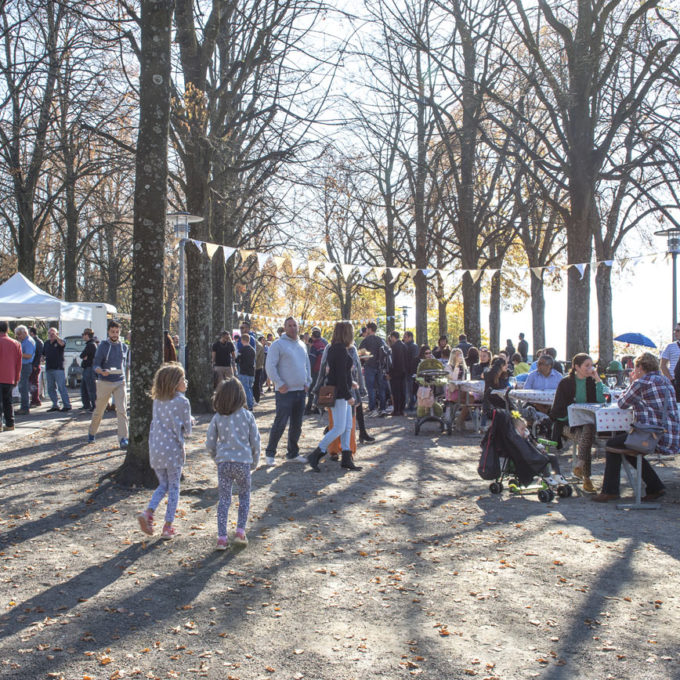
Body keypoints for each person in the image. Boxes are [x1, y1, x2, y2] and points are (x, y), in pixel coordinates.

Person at [593, 353, 680, 503]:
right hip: (671, 436)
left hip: (653, 437)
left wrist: (633, 382)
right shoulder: (666, 381)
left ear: (640, 367)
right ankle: (655, 486)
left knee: (612, 444)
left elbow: (622, 404)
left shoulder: (642, 382)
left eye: (636, 367)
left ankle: (610, 491)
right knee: (629, 447)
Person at [137, 363, 192, 540]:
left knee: (163, 485)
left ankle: (149, 512)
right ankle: (168, 526)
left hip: (156, 449)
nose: (186, 382)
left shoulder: (157, 401)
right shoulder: (183, 402)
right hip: (173, 451)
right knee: (174, 487)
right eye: (183, 379)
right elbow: (188, 429)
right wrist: (189, 421)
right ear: (175, 383)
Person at [206, 377, 260, 549]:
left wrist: (216, 457)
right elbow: (255, 442)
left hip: (224, 463)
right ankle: (240, 531)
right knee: (244, 496)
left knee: (224, 500)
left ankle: (221, 537)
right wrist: (255, 461)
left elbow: (210, 442)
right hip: (243, 462)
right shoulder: (247, 416)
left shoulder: (218, 418)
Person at [308, 322, 362, 472]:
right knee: (339, 427)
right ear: (346, 333)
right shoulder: (340, 350)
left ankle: (346, 458)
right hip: (339, 394)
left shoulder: (335, 348)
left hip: (341, 391)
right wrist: (347, 395)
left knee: (347, 426)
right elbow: (339, 376)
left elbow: (341, 374)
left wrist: (352, 383)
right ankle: (316, 454)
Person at [549, 353, 606, 493]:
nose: (590, 368)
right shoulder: (565, 383)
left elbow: (600, 401)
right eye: (587, 365)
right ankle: (586, 478)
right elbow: (557, 410)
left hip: (586, 424)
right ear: (576, 367)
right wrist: (572, 414)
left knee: (588, 430)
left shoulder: (591, 382)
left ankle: (580, 467)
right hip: (567, 424)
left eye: (591, 365)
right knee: (587, 435)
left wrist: (598, 380)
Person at [264, 316, 311, 465]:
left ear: (298, 327)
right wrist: (278, 383)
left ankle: (293, 453)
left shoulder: (302, 345)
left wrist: (308, 382)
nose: (292, 328)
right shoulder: (278, 345)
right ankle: (270, 454)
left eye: (294, 325)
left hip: (300, 391)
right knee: (280, 423)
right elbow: (270, 366)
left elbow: (307, 366)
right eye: (289, 325)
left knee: (297, 425)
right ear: (285, 328)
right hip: (284, 392)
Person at [88, 320, 129, 449]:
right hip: (104, 381)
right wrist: (101, 371)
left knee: (122, 410)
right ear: (108, 332)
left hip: (119, 381)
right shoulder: (103, 346)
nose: (115, 334)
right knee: (99, 410)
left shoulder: (124, 347)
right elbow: (95, 364)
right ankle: (92, 432)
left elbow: (125, 364)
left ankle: (123, 438)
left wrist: (125, 378)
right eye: (113, 332)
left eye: (117, 332)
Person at [359, 322, 388, 416]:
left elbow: (360, 354)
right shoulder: (381, 340)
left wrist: (365, 358)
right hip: (379, 367)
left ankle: (373, 409)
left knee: (370, 388)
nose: (366, 330)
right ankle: (383, 408)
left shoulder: (366, 340)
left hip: (369, 367)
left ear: (370, 329)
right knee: (381, 388)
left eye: (367, 328)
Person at [42, 327, 71, 412]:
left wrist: (56, 337)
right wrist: (42, 357)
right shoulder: (46, 343)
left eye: (53, 333)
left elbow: (62, 344)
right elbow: (43, 354)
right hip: (49, 368)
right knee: (50, 388)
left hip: (58, 368)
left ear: (57, 334)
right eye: (49, 334)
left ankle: (67, 405)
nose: (51, 335)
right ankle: (55, 404)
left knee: (61, 387)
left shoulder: (59, 342)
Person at [0, 321, 22, 431]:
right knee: (8, 401)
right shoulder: (16, 343)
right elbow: (19, 363)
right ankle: (10, 424)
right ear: (7, 329)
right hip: (10, 376)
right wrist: (17, 377)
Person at [305, 327, 328, 414]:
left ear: (313, 337)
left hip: (315, 370)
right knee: (321, 388)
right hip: (323, 369)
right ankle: (320, 407)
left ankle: (309, 408)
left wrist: (308, 371)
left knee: (312, 389)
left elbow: (312, 360)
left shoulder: (314, 346)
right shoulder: (323, 345)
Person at [13, 325, 34, 415]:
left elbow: (28, 355)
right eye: (17, 335)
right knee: (22, 387)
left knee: (23, 387)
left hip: (26, 365)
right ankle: (24, 407)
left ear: (25, 332)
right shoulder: (24, 341)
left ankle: (25, 408)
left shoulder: (28, 342)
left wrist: (17, 353)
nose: (18, 336)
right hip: (24, 365)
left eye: (19, 334)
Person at [387, 330, 407, 416]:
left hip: (395, 372)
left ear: (393, 337)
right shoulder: (404, 346)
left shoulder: (394, 347)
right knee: (402, 391)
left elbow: (393, 362)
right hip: (403, 372)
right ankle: (402, 409)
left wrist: (389, 373)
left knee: (396, 392)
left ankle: (396, 410)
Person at [79, 328, 97, 411]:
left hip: (89, 369)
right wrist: (84, 357)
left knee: (91, 388)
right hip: (87, 368)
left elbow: (82, 355)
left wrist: (85, 357)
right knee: (84, 388)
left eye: (83, 335)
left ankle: (94, 405)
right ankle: (86, 404)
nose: (83, 336)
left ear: (87, 335)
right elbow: (83, 356)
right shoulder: (90, 344)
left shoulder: (91, 345)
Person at [236, 339, 256, 410]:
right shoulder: (253, 350)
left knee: (246, 389)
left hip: (244, 372)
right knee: (250, 388)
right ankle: (251, 404)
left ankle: (249, 406)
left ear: (242, 341)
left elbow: (237, 359)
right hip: (251, 372)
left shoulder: (242, 350)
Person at [403, 331, 419, 412]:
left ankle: (412, 405)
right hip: (407, 371)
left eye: (405, 337)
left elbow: (414, 360)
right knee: (409, 389)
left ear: (410, 337)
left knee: (411, 389)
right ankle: (410, 404)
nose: (404, 339)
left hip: (410, 372)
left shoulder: (413, 346)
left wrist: (411, 371)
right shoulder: (407, 346)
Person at [28, 327, 43, 407]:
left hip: (34, 365)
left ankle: (35, 400)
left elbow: (39, 354)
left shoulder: (37, 341)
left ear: (32, 333)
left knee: (34, 383)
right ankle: (34, 399)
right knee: (32, 383)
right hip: (33, 365)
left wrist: (35, 365)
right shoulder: (35, 341)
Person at [253, 337, 266, 404]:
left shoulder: (258, 346)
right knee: (255, 383)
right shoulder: (258, 345)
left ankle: (256, 399)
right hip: (257, 367)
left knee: (256, 384)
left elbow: (255, 356)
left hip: (258, 367)